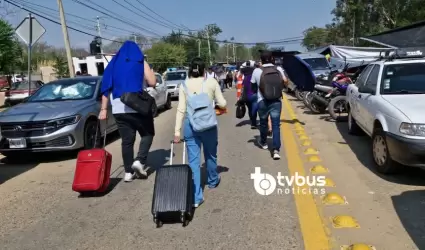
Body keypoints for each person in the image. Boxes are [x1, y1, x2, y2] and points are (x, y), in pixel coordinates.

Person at [99, 41, 156, 182]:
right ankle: (140, 160)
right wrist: (150, 73)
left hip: (119, 108)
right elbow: (153, 82)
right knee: (148, 133)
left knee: (127, 140)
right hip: (137, 105)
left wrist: (104, 109)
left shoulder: (113, 64)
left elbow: (106, 88)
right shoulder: (141, 62)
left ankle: (128, 173)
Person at [174, 57, 227, 208]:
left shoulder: (184, 85)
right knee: (211, 154)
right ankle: (212, 181)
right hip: (209, 125)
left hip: (191, 126)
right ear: (204, 70)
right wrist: (218, 106)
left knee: (194, 162)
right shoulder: (211, 82)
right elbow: (222, 103)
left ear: (190, 69)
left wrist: (177, 132)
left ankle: (197, 197)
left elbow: (181, 109)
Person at [251, 51, 288, 160]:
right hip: (276, 101)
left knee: (263, 123)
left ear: (261, 60)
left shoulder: (257, 71)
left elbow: (253, 88)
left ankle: (263, 142)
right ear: (272, 58)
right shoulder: (278, 69)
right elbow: (285, 81)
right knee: (276, 125)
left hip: (262, 101)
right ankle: (276, 150)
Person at [239, 62, 257, 129]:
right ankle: (254, 123)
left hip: (246, 96)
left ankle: (252, 121)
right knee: (254, 109)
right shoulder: (254, 77)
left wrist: (241, 95)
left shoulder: (245, 78)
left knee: (250, 109)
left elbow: (243, 87)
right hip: (253, 95)